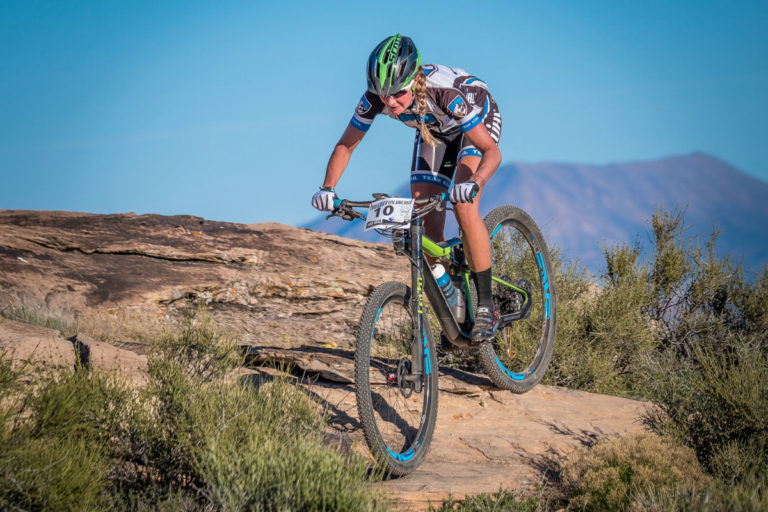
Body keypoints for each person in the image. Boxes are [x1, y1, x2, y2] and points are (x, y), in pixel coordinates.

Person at [311, 34, 503, 342]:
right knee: (425, 218)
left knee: (464, 206)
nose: (390, 102)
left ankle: (486, 306)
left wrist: (475, 183)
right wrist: (328, 188)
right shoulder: (376, 98)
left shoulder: (445, 94)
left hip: (474, 118)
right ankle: (453, 299)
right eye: (383, 94)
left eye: (397, 94)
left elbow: (492, 152)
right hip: (434, 130)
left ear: (414, 81)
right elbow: (346, 145)